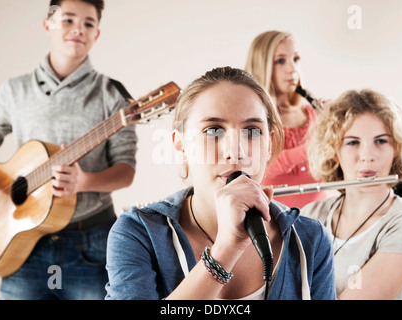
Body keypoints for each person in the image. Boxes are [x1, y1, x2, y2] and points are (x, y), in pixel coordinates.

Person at [105, 66, 335, 300]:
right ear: (180, 145)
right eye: (213, 130)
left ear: (270, 143)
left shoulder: (310, 240)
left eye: (252, 131)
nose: (235, 152)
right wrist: (225, 251)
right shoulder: (137, 234)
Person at [0, 0, 137, 299]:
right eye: (67, 20)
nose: (78, 29)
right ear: (48, 24)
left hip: (91, 244)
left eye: (88, 23)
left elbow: (126, 170)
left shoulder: (112, 95)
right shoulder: (14, 91)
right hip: (21, 245)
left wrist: (84, 182)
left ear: (96, 34)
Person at [301, 89, 402, 299]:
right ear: (334, 150)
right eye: (353, 142)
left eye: (381, 141)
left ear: (397, 148)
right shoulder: (312, 214)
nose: (367, 156)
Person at [245, 30, 327, 208]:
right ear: (262, 66)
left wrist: (336, 128)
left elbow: (332, 168)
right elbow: (260, 169)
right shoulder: (253, 119)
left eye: (295, 59)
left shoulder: (313, 115)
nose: (292, 69)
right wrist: (309, 148)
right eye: (280, 61)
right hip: (273, 223)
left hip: (318, 223)